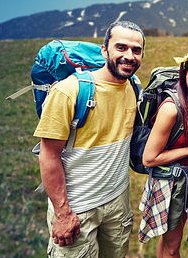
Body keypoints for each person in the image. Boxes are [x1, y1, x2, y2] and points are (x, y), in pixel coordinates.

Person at [34, 21, 145, 257]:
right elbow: (49, 155)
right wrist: (62, 213)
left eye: (136, 50)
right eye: (121, 47)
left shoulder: (134, 87)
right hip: (77, 208)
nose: (129, 56)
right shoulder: (69, 91)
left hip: (117, 203)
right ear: (104, 50)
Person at [139, 49, 188, 258]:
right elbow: (149, 158)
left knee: (169, 240)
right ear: (184, 75)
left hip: (183, 182)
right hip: (169, 183)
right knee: (173, 247)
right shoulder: (171, 108)